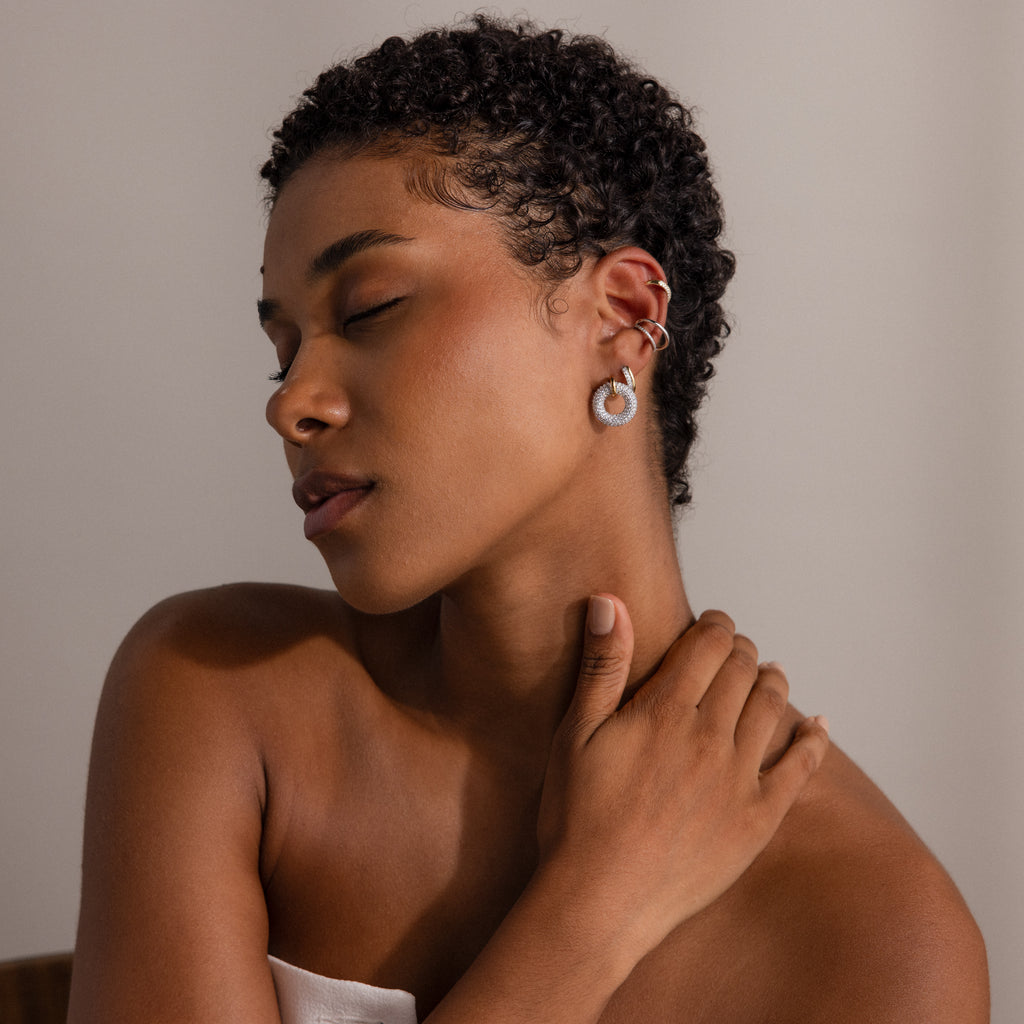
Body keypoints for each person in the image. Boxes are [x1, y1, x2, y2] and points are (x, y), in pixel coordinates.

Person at [67, 15, 988, 1023]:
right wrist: (592, 912)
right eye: (283, 349)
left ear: (624, 317)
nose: (292, 403)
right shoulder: (217, 696)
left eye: (368, 307)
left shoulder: (876, 934)